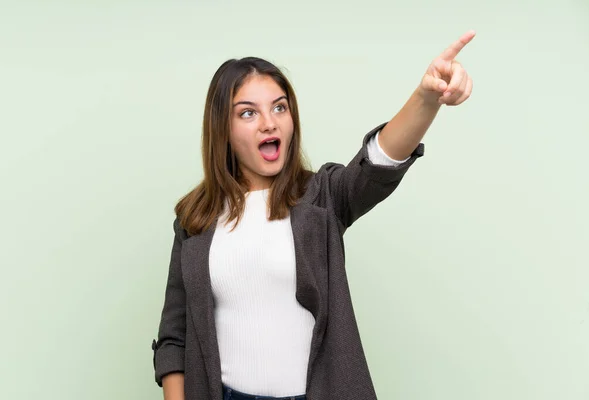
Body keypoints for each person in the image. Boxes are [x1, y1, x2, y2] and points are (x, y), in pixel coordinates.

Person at [151, 30, 476, 400]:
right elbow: (174, 338)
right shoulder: (195, 218)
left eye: (279, 107)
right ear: (222, 129)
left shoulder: (321, 197)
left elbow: (378, 164)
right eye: (248, 113)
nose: (269, 123)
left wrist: (426, 98)